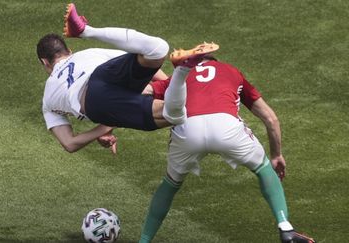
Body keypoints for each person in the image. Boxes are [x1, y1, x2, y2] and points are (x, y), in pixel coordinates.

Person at [138, 50, 316, 243]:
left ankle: (144, 240)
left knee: (170, 183)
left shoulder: (178, 76)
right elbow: (270, 118)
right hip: (227, 127)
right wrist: (276, 155)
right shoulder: (231, 71)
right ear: (215, 61)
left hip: (187, 129)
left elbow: (144, 91)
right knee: (263, 169)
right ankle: (286, 228)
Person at [37, 3, 214, 153]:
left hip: (95, 103)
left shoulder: (48, 98)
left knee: (174, 114)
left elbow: (69, 143)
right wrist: (169, 84)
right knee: (156, 50)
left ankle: (183, 76)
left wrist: (102, 128)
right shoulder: (88, 54)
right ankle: (86, 31)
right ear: (69, 51)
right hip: (101, 74)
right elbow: (140, 60)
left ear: (44, 62)